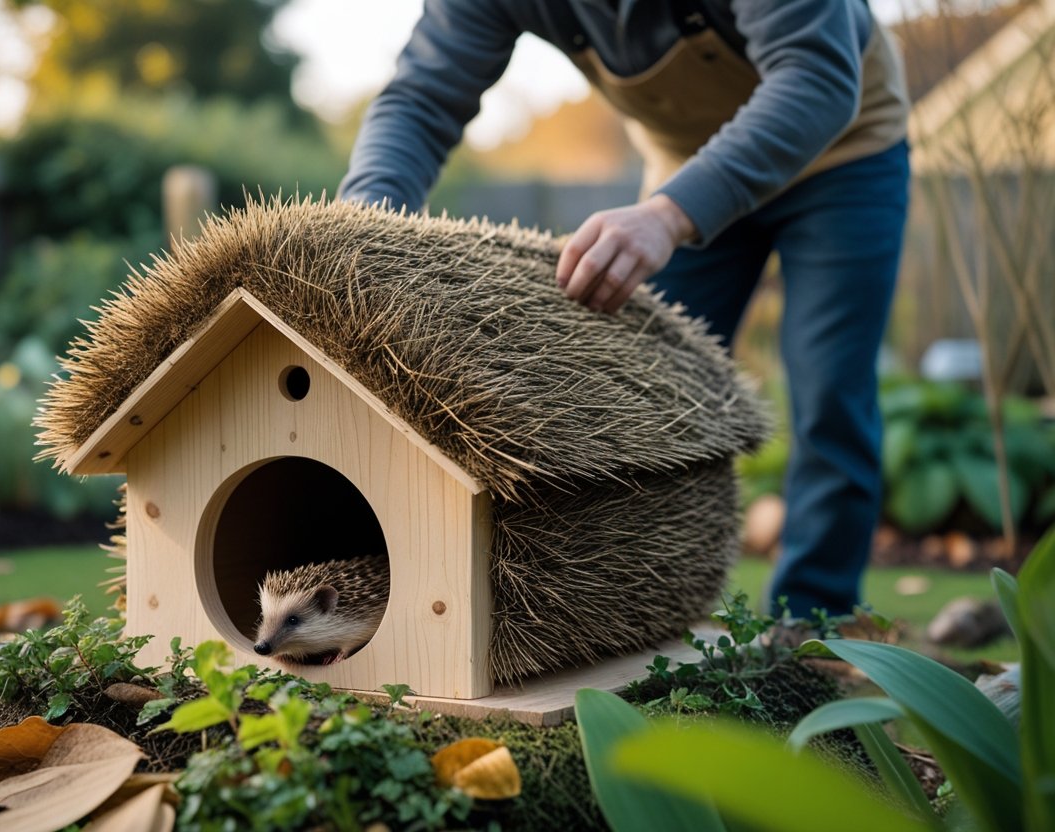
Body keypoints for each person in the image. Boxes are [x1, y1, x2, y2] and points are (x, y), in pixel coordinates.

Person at [338, 0, 910, 620]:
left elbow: (817, 79)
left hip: (843, 152)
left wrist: (667, 216)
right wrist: (360, 230)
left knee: (830, 392)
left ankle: (812, 622)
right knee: (644, 401)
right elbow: (421, 99)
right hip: (688, 163)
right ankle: (640, 616)